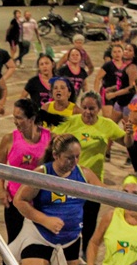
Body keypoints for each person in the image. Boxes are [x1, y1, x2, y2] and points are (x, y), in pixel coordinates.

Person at [8, 134, 103, 265]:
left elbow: (107, 195)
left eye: (78, 157)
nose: (74, 162)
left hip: (69, 239)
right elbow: (20, 201)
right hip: (40, 236)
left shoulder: (84, 174)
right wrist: (44, 219)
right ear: (56, 154)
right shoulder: (42, 173)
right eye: (69, 157)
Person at [54, 91, 132, 243]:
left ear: (99, 109)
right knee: (69, 218)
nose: (87, 112)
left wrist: (129, 134)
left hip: (93, 182)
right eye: (84, 108)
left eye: (92, 108)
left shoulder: (106, 125)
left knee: (89, 220)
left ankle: (84, 252)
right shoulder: (70, 121)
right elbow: (53, 141)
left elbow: (127, 143)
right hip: (70, 180)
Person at [0, 98, 52, 265]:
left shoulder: (50, 138)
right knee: (14, 242)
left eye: (20, 118)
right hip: (15, 200)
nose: (16, 121)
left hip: (40, 202)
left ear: (32, 118)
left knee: (37, 244)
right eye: (14, 117)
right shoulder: (9, 139)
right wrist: (1, 189)